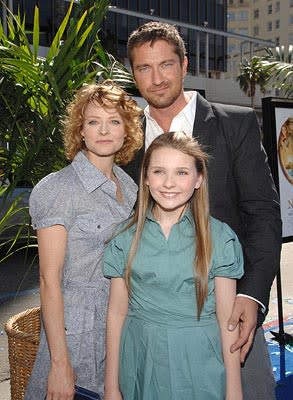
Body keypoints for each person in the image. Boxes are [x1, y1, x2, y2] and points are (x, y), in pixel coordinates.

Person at [123, 21, 282, 399]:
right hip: (154, 319)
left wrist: (252, 296)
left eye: (166, 64)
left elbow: (262, 215)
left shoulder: (234, 123)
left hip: (228, 310)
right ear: (133, 73)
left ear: (184, 64)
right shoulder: (124, 139)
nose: (157, 78)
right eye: (144, 68)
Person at [24, 80, 143, 400]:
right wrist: (60, 363)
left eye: (114, 121)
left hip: (122, 324)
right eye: (93, 121)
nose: (104, 130)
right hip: (76, 332)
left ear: (127, 130)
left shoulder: (130, 187)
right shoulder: (58, 189)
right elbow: (49, 280)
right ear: (81, 130)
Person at [103, 131, 244, 400]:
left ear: (198, 179)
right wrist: (111, 387)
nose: (169, 183)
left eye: (181, 172)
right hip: (141, 359)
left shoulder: (219, 238)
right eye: (158, 171)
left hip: (200, 363)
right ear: (145, 178)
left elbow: (228, 320)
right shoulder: (124, 238)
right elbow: (116, 314)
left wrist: (234, 393)